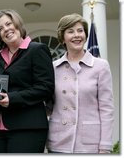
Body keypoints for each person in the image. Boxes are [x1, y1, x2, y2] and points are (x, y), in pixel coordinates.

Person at [0, 9, 55, 153]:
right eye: (0, 28)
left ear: (17, 24)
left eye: (8, 24)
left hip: (28, 127)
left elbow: (45, 88)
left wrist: (12, 98)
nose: (6, 29)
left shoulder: (37, 50)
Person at [47, 13, 114, 153]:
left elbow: (107, 109)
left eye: (80, 30)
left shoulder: (100, 66)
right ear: (62, 38)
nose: (76, 35)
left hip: (90, 144)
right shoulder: (52, 68)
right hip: (59, 141)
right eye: (70, 31)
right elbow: (48, 105)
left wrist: (105, 146)